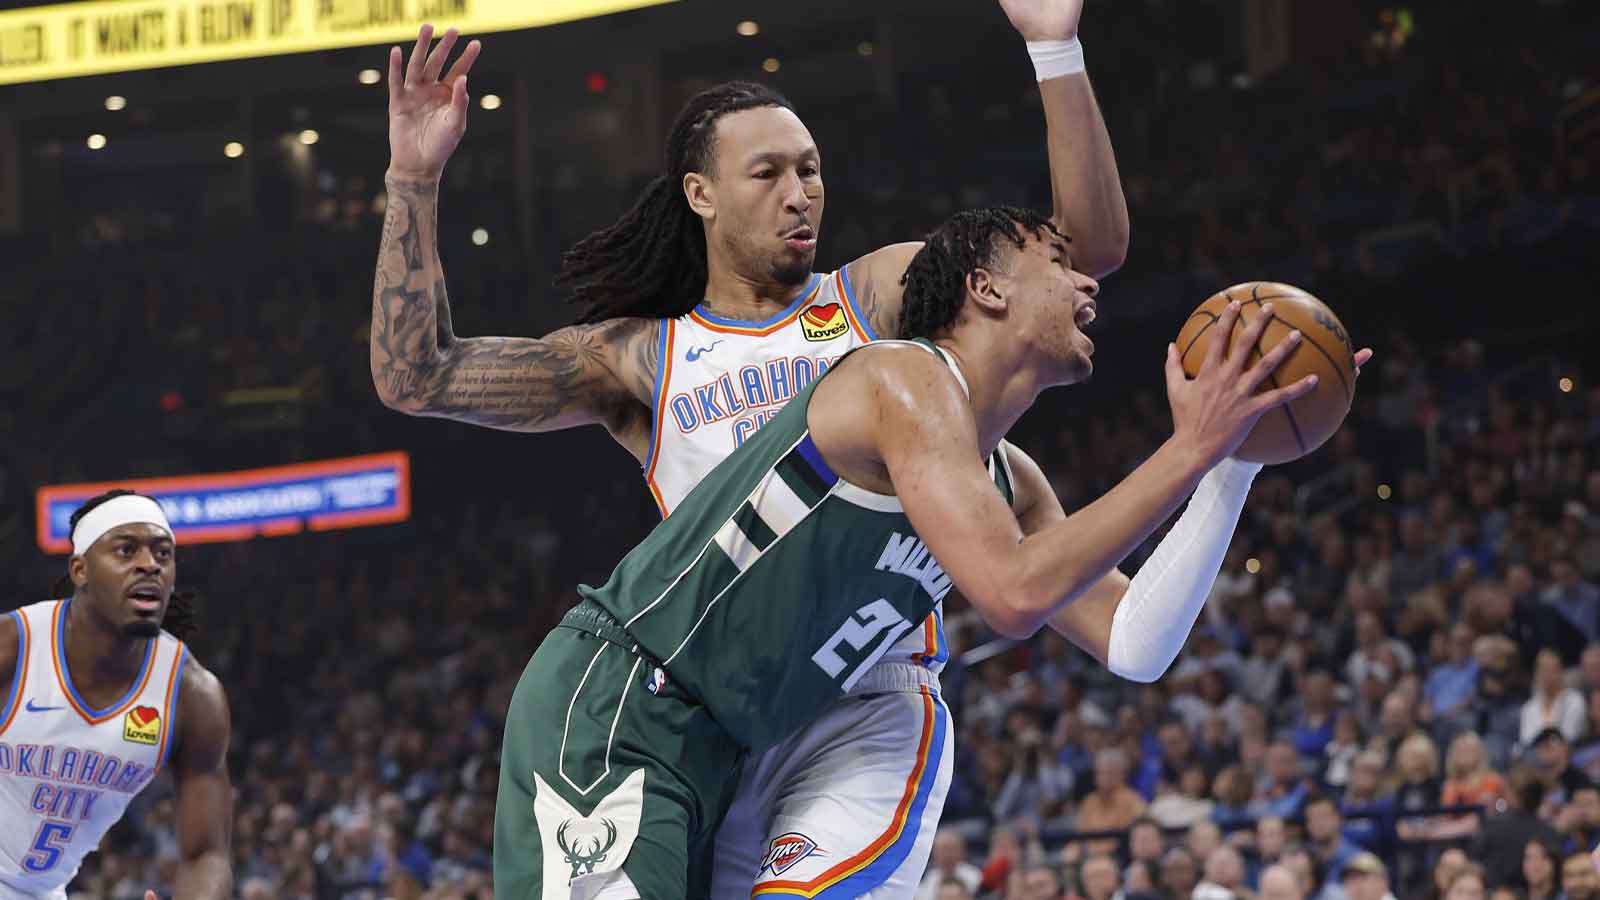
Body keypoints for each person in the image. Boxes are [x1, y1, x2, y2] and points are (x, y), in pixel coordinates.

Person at [369, 6, 1132, 896]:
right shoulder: (639, 360)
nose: (799, 192)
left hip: (861, 691)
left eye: (809, 169)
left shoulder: (877, 297)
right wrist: (412, 178)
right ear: (701, 194)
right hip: (715, 718)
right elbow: (414, 376)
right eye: (767, 173)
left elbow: (1077, 258)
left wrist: (1054, 46)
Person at [489, 206, 1323, 897]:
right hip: (621, 703)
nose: (1087, 282)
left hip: (720, 743)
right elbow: (1012, 593)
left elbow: (1134, 642)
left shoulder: (1007, 479)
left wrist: (1232, 466)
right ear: (986, 288)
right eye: (1059, 263)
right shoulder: (901, 378)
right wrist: (1191, 448)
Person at [0, 490, 232, 899]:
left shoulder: (193, 696)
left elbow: (206, 854)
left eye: (163, 554)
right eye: (126, 550)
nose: (150, 564)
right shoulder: (11, 648)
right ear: (80, 570)